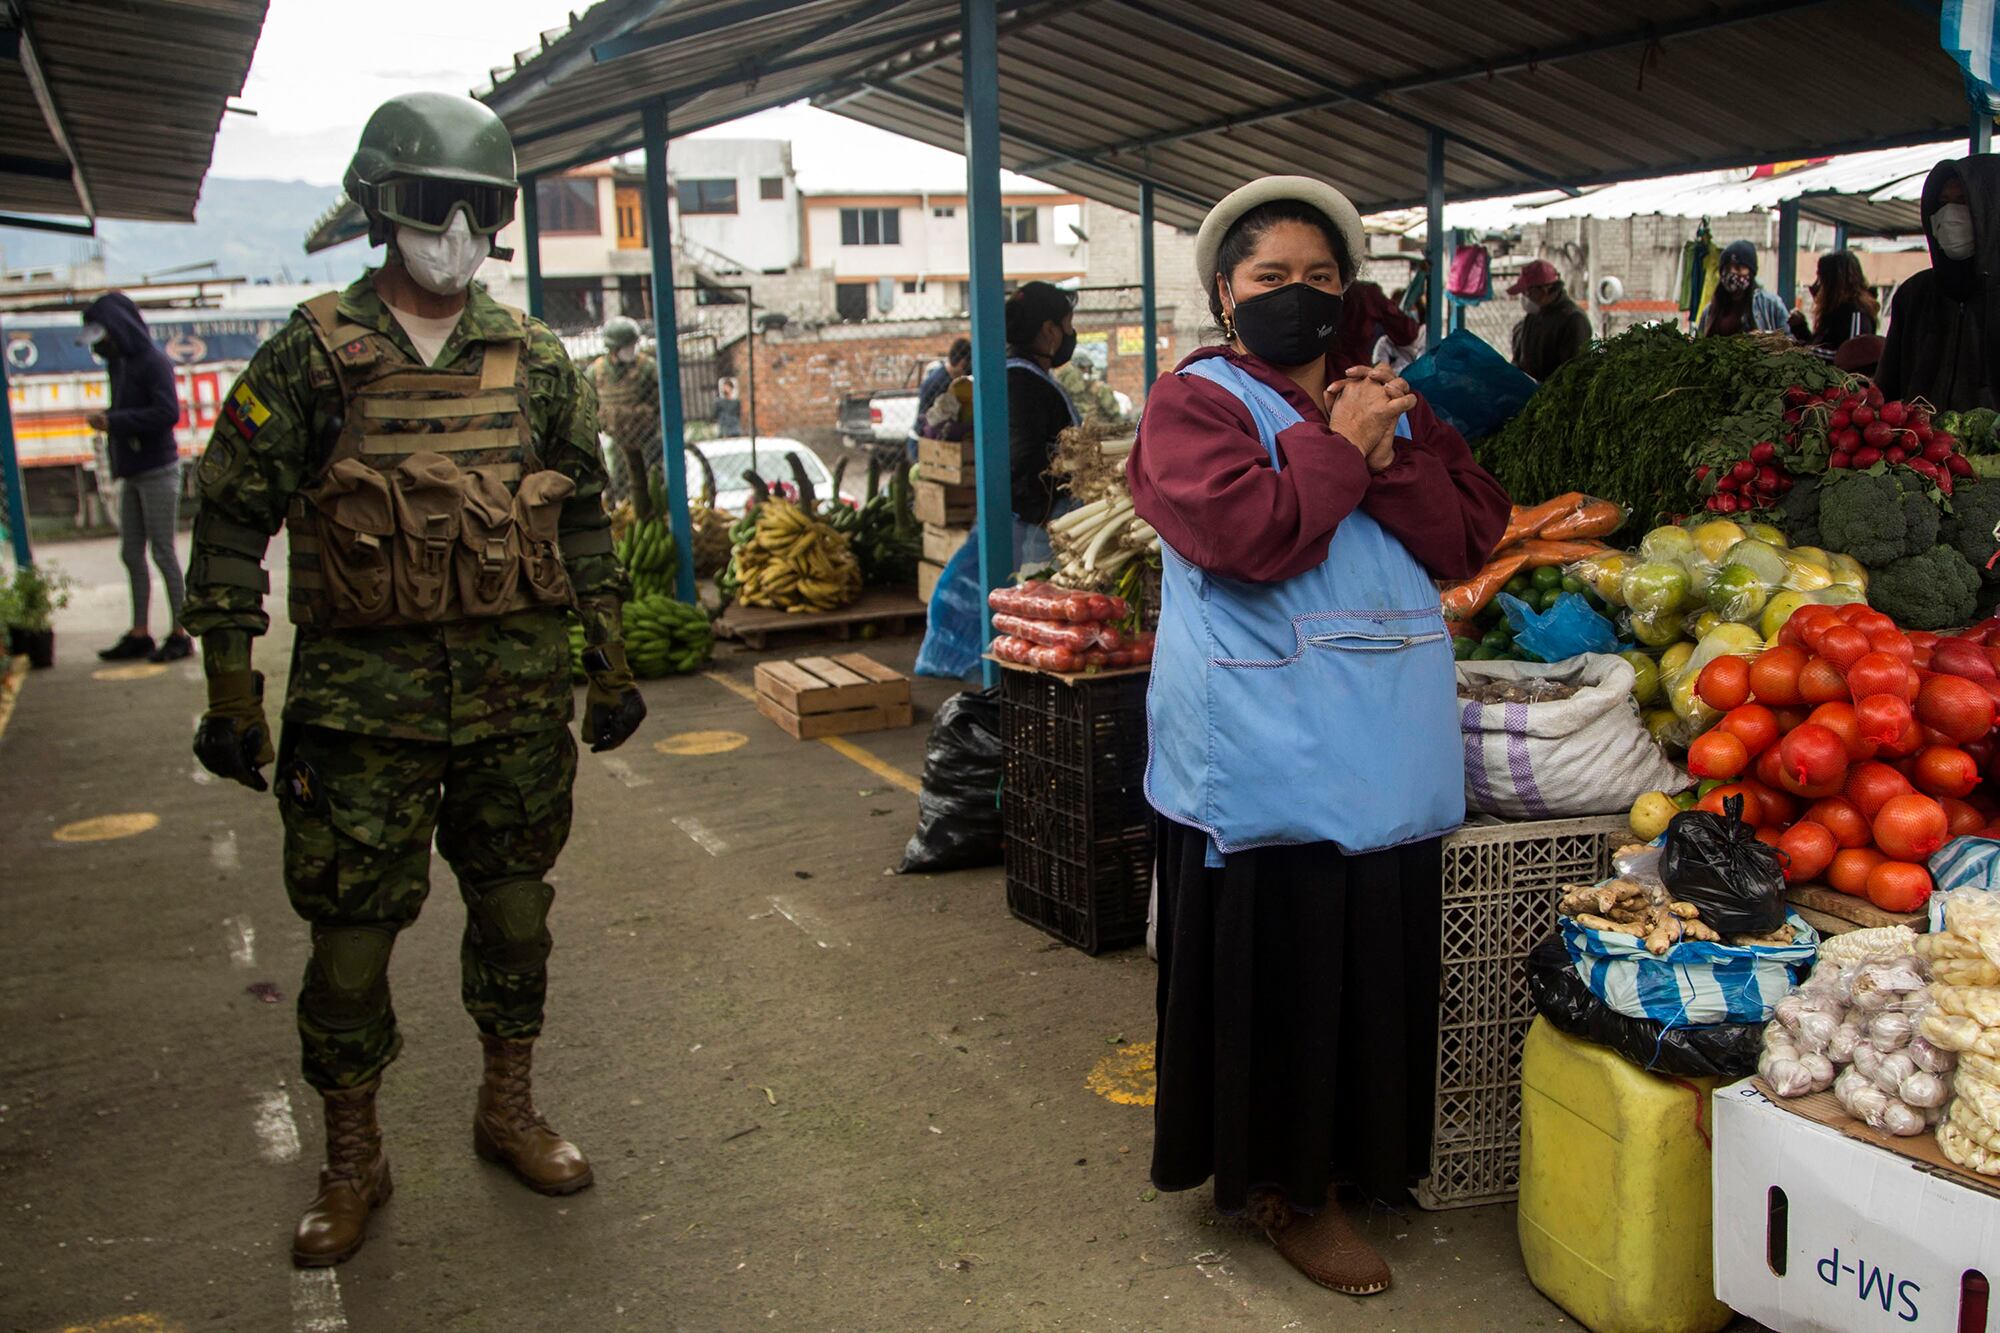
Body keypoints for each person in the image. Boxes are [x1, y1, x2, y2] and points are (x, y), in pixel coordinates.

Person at [180, 91, 644, 1269]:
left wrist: (612, 655)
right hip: (358, 719)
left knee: (516, 915)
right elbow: (231, 520)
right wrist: (231, 690)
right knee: (348, 946)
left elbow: (583, 514)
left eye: (478, 210)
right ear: (384, 211)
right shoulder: (308, 354)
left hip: (511, 705)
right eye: (433, 208)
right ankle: (352, 1157)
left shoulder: (535, 360)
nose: (456, 232)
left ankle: (507, 1107)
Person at [1127, 176, 1509, 1297]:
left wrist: (1386, 454)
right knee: (1280, 956)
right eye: (1269, 279)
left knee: (1368, 952)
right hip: (1264, 742)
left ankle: (1359, 1160)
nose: (1298, 296)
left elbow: (1470, 531)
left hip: (1383, 730)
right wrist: (1343, 446)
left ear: (1351, 292)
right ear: (1222, 294)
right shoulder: (1190, 404)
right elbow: (1248, 535)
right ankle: (1285, 1188)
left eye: (1321, 278)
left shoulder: (1384, 397)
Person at [82, 293, 193, 663]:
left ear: (118, 330)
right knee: (131, 552)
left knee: (162, 551)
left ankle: (180, 632)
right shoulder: (120, 363)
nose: (101, 347)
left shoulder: (153, 362)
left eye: (104, 338)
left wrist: (113, 422)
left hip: (158, 470)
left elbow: (167, 413)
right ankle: (139, 632)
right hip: (131, 471)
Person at [1877, 157, 2000, 411]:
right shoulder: (1914, 294)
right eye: (1943, 203)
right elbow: (1886, 389)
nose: (1950, 214)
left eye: (1963, 201)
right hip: (1918, 446)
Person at [1005, 281, 1081, 568]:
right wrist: (1046, 515)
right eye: (1068, 325)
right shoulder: (1024, 385)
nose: (1070, 334)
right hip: (1035, 534)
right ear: (1050, 331)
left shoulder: (1023, 376)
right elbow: (1024, 458)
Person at [588, 315, 660, 518]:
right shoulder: (597, 371)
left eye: (633, 344)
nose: (632, 349)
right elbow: (587, 401)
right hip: (613, 437)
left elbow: (660, 400)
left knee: (653, 479)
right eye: (626, 346)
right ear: (613, 348)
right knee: (615, 477)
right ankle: (617, 511)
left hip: (645, 437)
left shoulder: (647, 367)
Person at [1506, 259, 1593, 381]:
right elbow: (1521, 359)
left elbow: (1574, 372)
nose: (1525, 297)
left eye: (1527, 292)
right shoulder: (1533, 316)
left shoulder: (1573, 320)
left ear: (1544, 290)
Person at [1697, 240, 1790, 337]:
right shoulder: (1709, 312)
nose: (1732, 272)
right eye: (1727, 268)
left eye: (1738, 267)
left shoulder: (1771, 304)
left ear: (1751, 272)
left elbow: (1790, 341)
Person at [1332, 278, 1420, 372]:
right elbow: (1406, 332)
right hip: (1355, 373)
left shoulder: (1366, 294)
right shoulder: (1367, 293)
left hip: (1340, 374)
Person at [1805, 251, 1879, 355]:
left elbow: (1852, 356)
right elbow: (1823, 346)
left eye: (1821, 279)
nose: (1816, 285)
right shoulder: (1833, 310)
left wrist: (1806, 353)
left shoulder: (1856, 312)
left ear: (1833, 283)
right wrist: (1800, 329)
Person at [909, 336, 970, 457]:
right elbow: (933, 420)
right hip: (923, 441)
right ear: (962, 364)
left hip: (930, 439)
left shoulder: (946, 377)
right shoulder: (940, 383)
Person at [1055, 357, 1127, 428]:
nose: (1087, 371)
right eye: (1085, 368)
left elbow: (1115, 416)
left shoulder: (1099, 389)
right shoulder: (1067, 384)